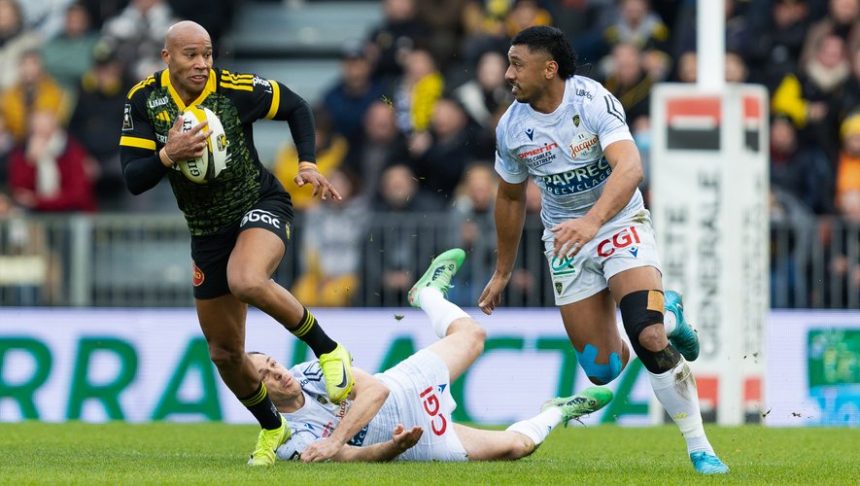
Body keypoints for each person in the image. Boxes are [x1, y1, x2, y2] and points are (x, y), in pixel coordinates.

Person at [477, 26, 729, 475]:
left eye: (517, 64)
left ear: (549, 69)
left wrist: (593, 221)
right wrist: (502, 271)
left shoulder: (591, 101)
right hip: (564, 240)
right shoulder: (512, 127)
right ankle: (669, 313)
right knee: (602, 368)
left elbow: (630, 166)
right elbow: (510, 197)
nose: (508, 73)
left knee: (648, 336)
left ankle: (700, 448)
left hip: (617, 224)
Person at [117, 21, 355, 467]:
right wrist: (169, 155)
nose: (203, 64)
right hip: (207, 231)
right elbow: (132, 178)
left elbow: (297, 106)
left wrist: (306, 160)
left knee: (245, 279)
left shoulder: (233, 88)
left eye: (208, 54)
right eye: (191, 55)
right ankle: (273, 428)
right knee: (225, 353)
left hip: (259, 204)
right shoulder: (144, 99)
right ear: (167, 58)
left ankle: (329, 350)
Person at [247, 248, 612, 463]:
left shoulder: (310, 371)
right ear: (258, 392)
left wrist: (336, 438)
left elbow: (375, 391)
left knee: (473, 334)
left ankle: (426, 295)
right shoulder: (287, 437)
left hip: (406, 386)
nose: (277, 372)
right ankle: (560, 410)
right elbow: (352, 459)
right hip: (415, 441)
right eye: (265, 375)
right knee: (517, 448)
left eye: (272, 363)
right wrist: (394, 445)